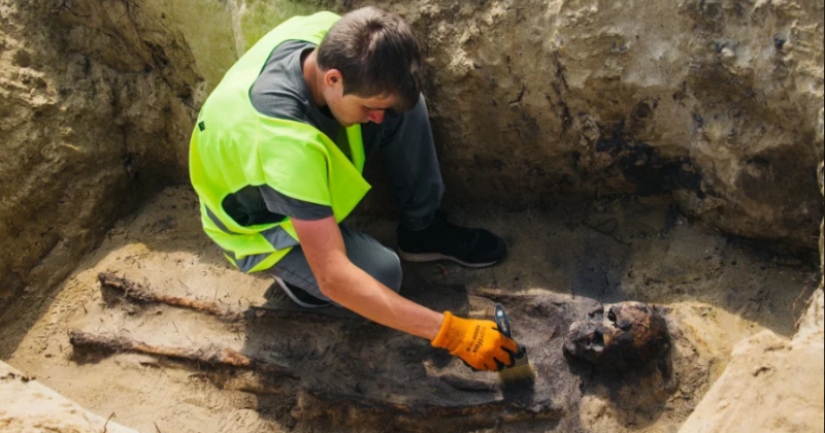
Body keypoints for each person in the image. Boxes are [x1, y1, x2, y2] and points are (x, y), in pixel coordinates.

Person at [189, 7, 517, 372]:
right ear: (332, 79)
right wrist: (450, 332)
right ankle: (295, 278)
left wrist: (379, 106)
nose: (378, 118)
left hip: (289, 166)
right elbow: (335, 277)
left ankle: (422, 231)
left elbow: (383, 103)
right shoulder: (285, 142)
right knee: (382, 275)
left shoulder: (335, 35)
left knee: (401, 106)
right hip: (259, 225)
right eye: (368, 108)